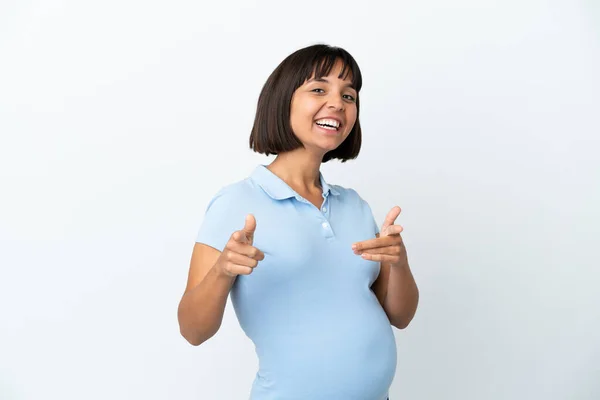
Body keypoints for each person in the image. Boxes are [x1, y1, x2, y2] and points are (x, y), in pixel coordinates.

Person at [177, 44, 419, 400]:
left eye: (349, 95)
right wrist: (222, 271)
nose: (337, 102)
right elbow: (193, 330)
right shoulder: (237, 203)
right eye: (319, 89)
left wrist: (398, 262)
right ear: (282, 101)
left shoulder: (355, 206)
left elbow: (400, 315)